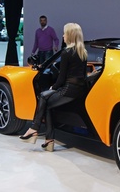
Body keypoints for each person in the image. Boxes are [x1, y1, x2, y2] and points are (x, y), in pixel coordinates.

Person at [20, 23, 88, 152]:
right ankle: (48, 141)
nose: (63, 36)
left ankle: (34, 129)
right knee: (48, 105)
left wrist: (53, 87)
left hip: (68, 90)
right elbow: (83, 75)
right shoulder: (83, 52)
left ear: (70, 35)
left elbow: (61, 78)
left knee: (43, 97)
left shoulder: (66, 52)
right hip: (79, 91)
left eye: (65, 33)